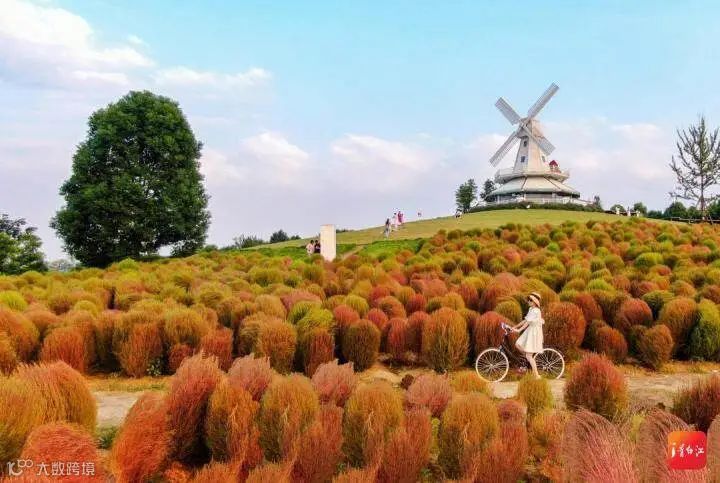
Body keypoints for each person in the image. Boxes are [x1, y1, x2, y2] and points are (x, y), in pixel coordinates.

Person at [512, 292, 544, 379]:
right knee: (518, 344)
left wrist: (519, 330)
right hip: (530, 331)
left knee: (529, 356)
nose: (528, 301)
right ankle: (528, 360)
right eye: (528, 300)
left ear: (535, 302)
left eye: (530, 300)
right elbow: (525, 320)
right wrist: (515, 327)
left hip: (534, 333)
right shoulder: (531, 309)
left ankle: (536, 375)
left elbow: (528, 323)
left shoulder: (536, 311)